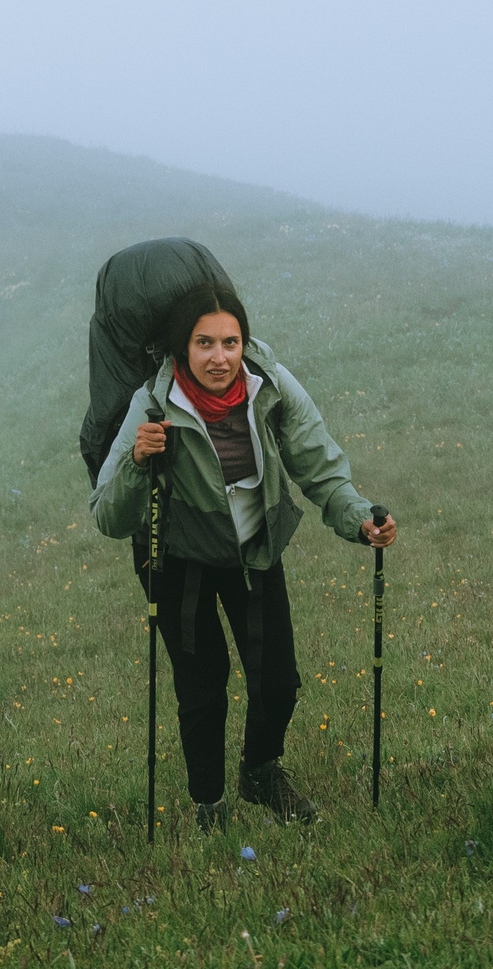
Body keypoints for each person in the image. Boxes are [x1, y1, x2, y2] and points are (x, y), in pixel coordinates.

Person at [91, 283, 397, 829]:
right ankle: (209, 806)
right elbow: (108, 516)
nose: (219, 357)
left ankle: (259, 772)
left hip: (253, 552)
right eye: (204, 343)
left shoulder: (270, 387)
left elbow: (319, 466)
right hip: (177, 560)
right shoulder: (154, 403)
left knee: (278, 681)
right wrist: (138, 461)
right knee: (203, 686)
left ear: (244, 342)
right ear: (182, 348)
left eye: (230, 342)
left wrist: (359, 519)